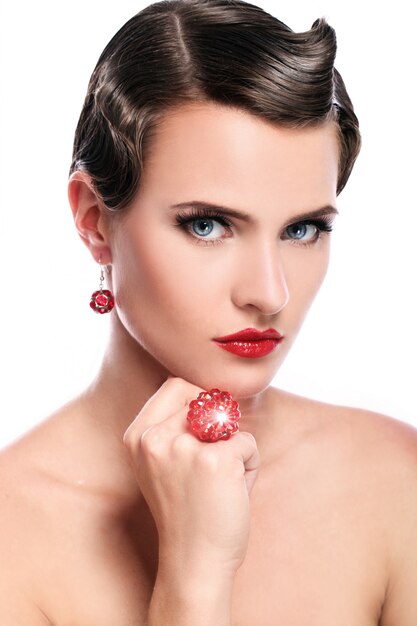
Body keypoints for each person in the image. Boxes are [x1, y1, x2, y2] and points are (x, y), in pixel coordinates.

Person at [0, 0, 416, 624]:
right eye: (208, 224)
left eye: (302, 229)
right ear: (94, 221)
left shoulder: (395, 482)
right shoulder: (13, 535)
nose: (269, 292)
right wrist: (194, 580)